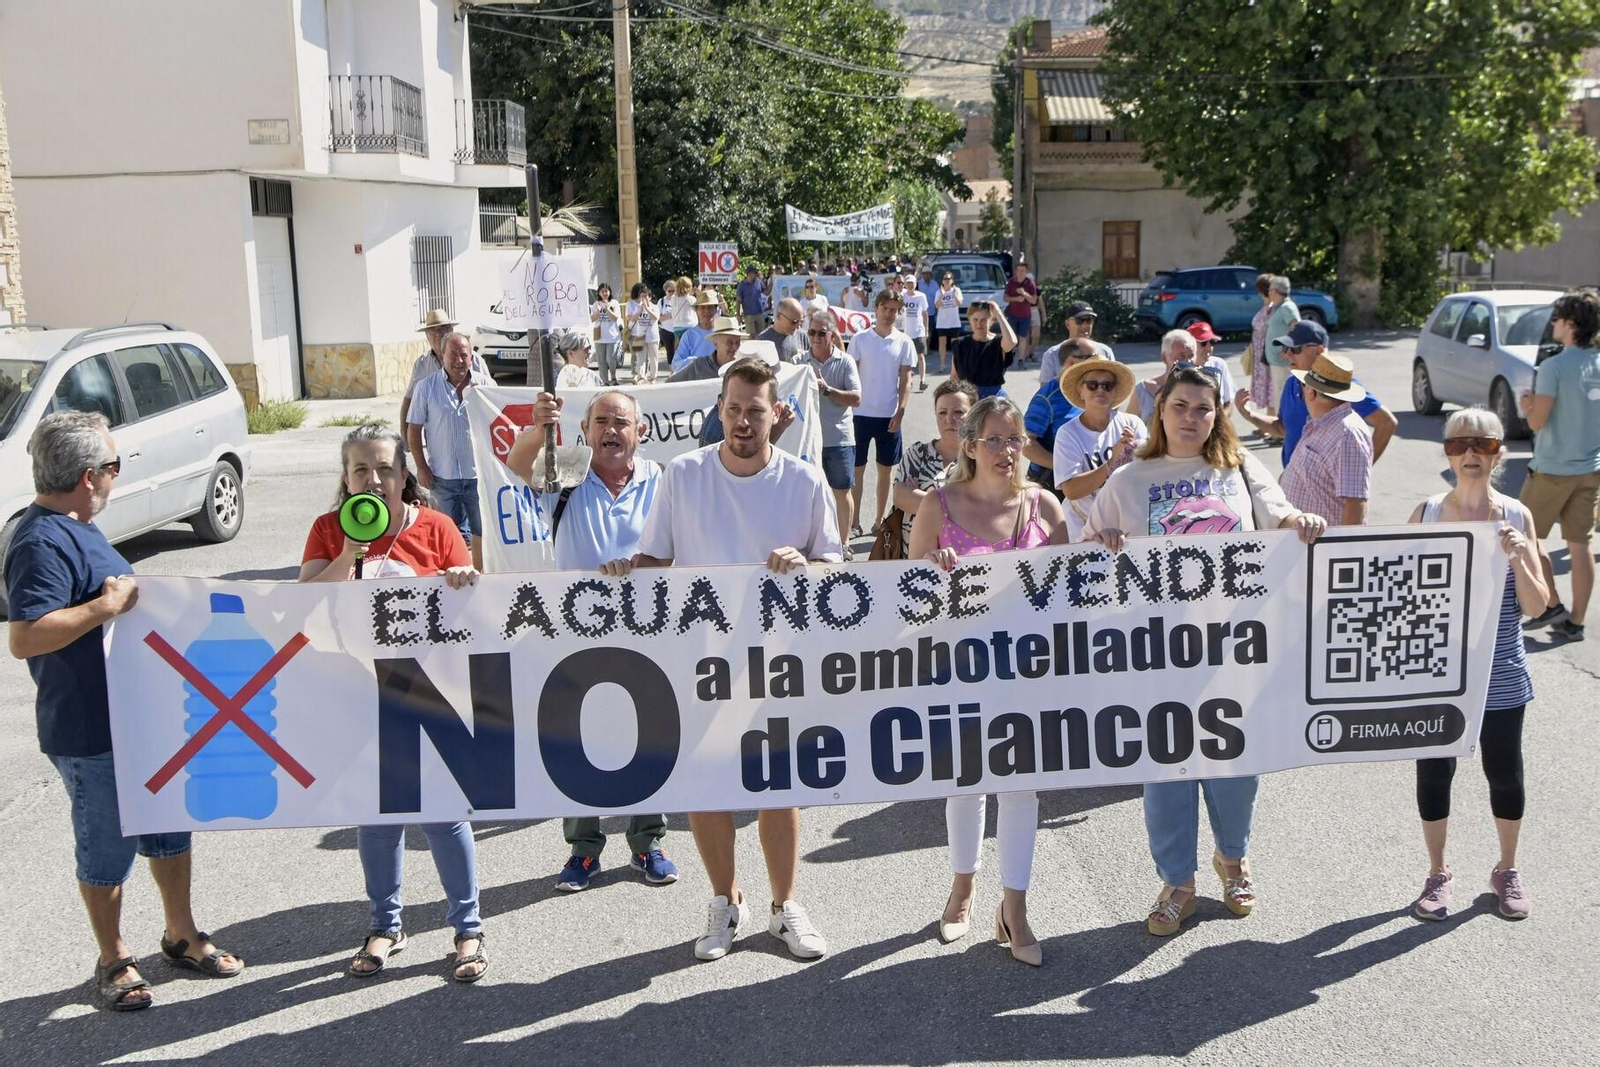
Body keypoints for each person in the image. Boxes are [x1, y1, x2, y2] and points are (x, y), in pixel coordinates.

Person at [6, 412, 244, 1011]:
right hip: (90, 729)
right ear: (89, 477)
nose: (117, 476)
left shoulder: (77, 525)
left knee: (167, 829)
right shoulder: (38, 541)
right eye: (115, 466)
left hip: (141, 718)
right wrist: (106, 608)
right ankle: (113, 959)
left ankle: (180, 935)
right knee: (106, 845)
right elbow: (27, 635)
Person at [1083, 365, 1327, 936]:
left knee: (1237, 762)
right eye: (1181, 406)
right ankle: (1178, 882)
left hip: (1233, 647)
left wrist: (1300, 521)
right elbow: (1082, 556)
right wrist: (1105, 541)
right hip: (1156, 650)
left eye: (1204, 408)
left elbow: (1280, 512)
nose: (1192, 418)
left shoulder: (1238, 469)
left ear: (1218, 415)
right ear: (1160, 411)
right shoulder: (1128, 480)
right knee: (1167, 769)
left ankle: (1232, 858)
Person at [634, 357, 842, 962]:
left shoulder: (804, 480)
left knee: (779, 787)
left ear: (776, 415)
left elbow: (835, 567)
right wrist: (622, 573)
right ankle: (726, 901)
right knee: (708, 787)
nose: (744, 420)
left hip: (778, 665)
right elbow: (654, 562)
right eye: (734, 408)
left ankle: (784, 906)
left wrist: (809, 567)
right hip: (701, 663)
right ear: (719, 410)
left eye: (756, 410)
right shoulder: (685, 475)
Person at [299, 425, 486, 981]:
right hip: (357, 695)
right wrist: (349, 555)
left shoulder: (437, 527)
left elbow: (477, 610)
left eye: (384, 469)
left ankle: (468, 930)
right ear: (346, 478)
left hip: (430, 695)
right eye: (361, 470)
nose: (374, 480)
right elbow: (301, 601)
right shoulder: (329, 530)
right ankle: (386, 926)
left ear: (405, 476)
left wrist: (463, 579)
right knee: (377, 818)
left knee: (444, 817)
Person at [908, 396, 1066, 968]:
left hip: (1028, 672)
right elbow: (907, 596)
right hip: (960, 670)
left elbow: (1071, 593)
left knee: (1021, 788)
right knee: (966, 782)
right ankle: (962, 889)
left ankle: (1015, 908)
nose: (1007, 451)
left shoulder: (1044, 506)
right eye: (995, 440)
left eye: (1015, 439)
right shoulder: (938, 503)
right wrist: (932, 571)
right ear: (969, 446)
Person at [505, 390, 679, 890]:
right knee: (576, 739)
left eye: (621, 421)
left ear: (640, 432)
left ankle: (648, 843)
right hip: (575, 635)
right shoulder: (566, 473)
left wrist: (641, 567)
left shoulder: (663, 481)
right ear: (584, 430)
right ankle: (583, 851)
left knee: (650, 735)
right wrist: (540, 428)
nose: (611, 430)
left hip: (648, 630)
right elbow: (517, 465)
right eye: (600, 420)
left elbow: (679, 546)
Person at [1409, 409, 1549, 921]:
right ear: (1447, 453)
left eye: (1484, 445)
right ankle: (1437, 873)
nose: (1471, 453)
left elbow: (1537, 606)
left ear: (1498, 454)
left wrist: (1516, 556)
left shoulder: (1517, 516)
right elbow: (1396, 593)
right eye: (1460, 444)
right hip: (1436, 671)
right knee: (1434, 771)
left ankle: (1506, 869)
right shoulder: (1425, 514)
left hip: (1501, 672)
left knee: (1504, 773)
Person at [1517, 287, 1600, 641]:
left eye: (1557, 318)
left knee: (1526, 536)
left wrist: (1527, 406)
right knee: (1580, 547)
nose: (1552, 323)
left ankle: (1550, 604)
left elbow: (1537, 422)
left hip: (1551, 470)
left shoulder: (1553, 366)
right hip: (1589, 469)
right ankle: (1576, 622)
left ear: (1570, 324)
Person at [1234, 321, 1396, 466]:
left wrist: (1361, 468)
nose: (1287, 354)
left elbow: (1386, 423)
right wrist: (1248, 414)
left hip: (1327, 493)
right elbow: (1283, 428)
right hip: (1294, 485)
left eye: (1295, 349)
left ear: (1319, 351)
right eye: (1286, 348)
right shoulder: (1292, 383)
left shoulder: (1341, 387)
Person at [405, 332, 489, 571]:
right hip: (442, 477)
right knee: (445, 533)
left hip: (478, 476)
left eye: (464, 355)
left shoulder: (486, 386)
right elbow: (414, 430)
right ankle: (449, 580)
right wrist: (421, 467)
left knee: (482, 531)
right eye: (453, 355)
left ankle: (480, 576)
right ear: (442, 357)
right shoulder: (426, 388)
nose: (459, 361)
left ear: (471, 357)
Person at [1053, 353, 1146, 543]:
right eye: (1092, 385)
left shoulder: (1133, 424)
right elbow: (1071, 490)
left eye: (1107, 385)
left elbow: (1148, 474)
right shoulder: (1068, 433)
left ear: (1114, 392)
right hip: (1081, 527)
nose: (1100, 390)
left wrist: (1135, 454)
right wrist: (1112, 462)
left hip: (1125, 524)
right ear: (1081, 390)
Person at [849, 289, 917, 538]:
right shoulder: (860, 339)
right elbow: (850, 375)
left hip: (889, 415)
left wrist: (901, 411)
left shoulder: (904, 341)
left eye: (894, 310)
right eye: (885, 308)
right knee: (857, 469)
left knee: (885, 470)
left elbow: (906, 380)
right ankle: (854, 522)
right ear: (876, 308)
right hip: (860, 414)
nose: (889, 314)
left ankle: (879, 520)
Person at [1279, 352, 1373, 526]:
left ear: (1311, 392)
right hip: (1305, 543)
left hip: (1320, 548)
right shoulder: (1321, 423)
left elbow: (1355, 506)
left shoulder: (1348, 435)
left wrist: (1341, 551)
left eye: (1302, 385)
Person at [891, 379, 976, 552]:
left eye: (958, 412)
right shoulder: (918, 453)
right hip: (916, 556)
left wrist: (921, 497)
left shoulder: (980, 458)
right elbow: (900, 497)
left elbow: (981, 511)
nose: (949, 419)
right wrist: (957, 508)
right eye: (942, 412)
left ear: (973, 415)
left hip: (963, 558)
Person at [803, 309, 864, 550]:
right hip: (809, 440)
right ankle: (813, 544)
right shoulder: (799, 361)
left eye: (821, 332)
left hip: (839, 439)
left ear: (832, 334)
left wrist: (827, 390)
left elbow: (857, 398)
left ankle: (844, 544)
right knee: (808, 496)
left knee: (841, 492)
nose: (815, 337)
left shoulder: (845, 361)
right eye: (811, 331)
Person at [1021, 339, 1089, 495]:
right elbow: (1026, 443)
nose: (1097, 362)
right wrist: (1064, 466)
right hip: (1052, 485)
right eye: (1091, 357)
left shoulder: (1091, 391)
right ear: (1071, 362)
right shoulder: (1047, 397)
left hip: (1085, 481)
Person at [402, 309, 488, 428]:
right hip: (438, 439)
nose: (438, 334)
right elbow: (409, 401)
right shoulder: (421, 364)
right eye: (433, 330)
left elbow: (492, 396)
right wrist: (405, 439)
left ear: (450, 330)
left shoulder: (474, 359)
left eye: (442, 329)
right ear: (427, 335)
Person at [1129, 330, 1207, 426]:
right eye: (1181, 356)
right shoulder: (1143, 390)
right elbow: (1127, 426)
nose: (1187, 361)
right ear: (1164, 357)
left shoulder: (1201, 390)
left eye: (1191, 356)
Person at [949, 299, 1017, 399]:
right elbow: (954, 377)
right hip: (967, 399)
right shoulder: (960, 344)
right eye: (975, 319)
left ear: (991, 320)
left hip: (992, 400)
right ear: (969, 319)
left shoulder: (998, 343)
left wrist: (998, 313)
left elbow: (1012, 341)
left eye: (983, 320)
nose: (979, 324)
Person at [1037, 301, 1115, 387]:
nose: (1085, 325)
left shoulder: (1105, 352)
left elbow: (1114, 386)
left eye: (1089, 320)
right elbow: (1044, 392)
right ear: (1067, 324)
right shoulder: (1052, 354)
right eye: (1080, 321)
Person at [1258, 275, 1299, 425]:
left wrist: (1289, 350)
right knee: (1278, 395)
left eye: (1270, 290)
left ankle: (1282, 430)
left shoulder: (1287, 307)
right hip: (1275, 360)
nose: (1268, 293)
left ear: (1275, 291)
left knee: (1282, 396)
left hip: (1283, 360)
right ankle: (1280, 429)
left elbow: (1297, 328)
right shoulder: (1278, 307)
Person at [1183, 321, 1237, 405]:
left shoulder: (1219, 364)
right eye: (1203, 343)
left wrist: (1221, 418)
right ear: (1190, 345)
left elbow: (1229, 400)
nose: (1209, 348)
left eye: (1211, 342)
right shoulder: (1182, 369)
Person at [1247, 273, 1275, 422]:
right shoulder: (1268, 307)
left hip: (1266, 353)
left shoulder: (1272, 308)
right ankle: (1267, 420)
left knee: (1270, 387)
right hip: (1261, 353)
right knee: (1266, 386)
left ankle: (1270, 421)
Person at [672, 290, 720, 373]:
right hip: (697, 380)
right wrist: (697, 361)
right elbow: (676, 364)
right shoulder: (689, 335)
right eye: (702, 307)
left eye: (710, 307)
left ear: (716, 309)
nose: (706, 311)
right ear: (696, 310)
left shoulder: (722, 333)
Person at [900, 265, 931, 391]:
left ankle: (922, 380)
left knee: (920, 356)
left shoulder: (921, 296)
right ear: (905, 284)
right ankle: (909, 379)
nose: (910, 285)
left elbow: (924, 313)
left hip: (918, 330)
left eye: (912, 283)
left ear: (915, 283)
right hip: (905, 331)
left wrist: (926, 329)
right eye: (908, 283)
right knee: (907, 357)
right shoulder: (902, 296)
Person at [1003, 262, 1039, 367]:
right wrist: (1016, 299)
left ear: (1026, 271)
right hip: (1012, 315)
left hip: (1025, 316)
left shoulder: (1030, 283)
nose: (1020, 273)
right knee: (1011, 338)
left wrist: (1024, 293)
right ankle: (1008, 357)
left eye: (1022, 271)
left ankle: (1021, 360)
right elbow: (1005, 298)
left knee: (1023, 338)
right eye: (1018, 270)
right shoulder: (1011, 282)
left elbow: (1033, 300)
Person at [625, 282, 661, 383]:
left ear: (649, 297)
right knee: (640, 358)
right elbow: (632, 319)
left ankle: (653, 376)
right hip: (639, 336)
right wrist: (640, 310)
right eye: (642, 296)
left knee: (653, 358)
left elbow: (656, 317)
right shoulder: (637, 307)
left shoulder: (654, 307)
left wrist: (647, 308)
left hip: (652, 337)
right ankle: (641, 376)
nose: (643, 298)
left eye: (645, 296)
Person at [756, 297, 808, 364]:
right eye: (794, 322)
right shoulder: (763, 340)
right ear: (778, 316)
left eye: (801, 322)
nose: (798, 327)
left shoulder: (802, 335)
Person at [931, 271, 964, 374]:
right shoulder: (938, 292)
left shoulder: (957, 290)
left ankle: (955, 364)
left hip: (954, 322)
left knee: (955, 344)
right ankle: (942, 364)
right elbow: (937, 305)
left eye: (948, 279)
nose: (946, 281)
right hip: (942, 322)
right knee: (942, 343)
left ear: (952, 280)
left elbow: (959, 303)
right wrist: (942, 294)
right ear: (942, 281)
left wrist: (954, 295)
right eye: (944, 279)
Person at [593, 283, 624, 386]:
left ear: (610, 292)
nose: (604, 293)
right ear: (599, 293)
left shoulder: (614, 303)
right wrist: (598, 311)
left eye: (606, 291)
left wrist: (607, 308)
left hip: (612, 336)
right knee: (601, 360)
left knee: (610, 359)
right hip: (599, 336)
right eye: (602, 291)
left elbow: (615, 318)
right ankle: (604, 380)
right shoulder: (596, 303)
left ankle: (613, 376)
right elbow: (592, 319)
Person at [736, 265, 767, 337]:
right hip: (749, 314)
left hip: (759, 313)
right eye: (755, 273)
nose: (756, 274)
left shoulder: (758, 282)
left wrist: (773, 281)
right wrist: (738, 315)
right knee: (752, 335)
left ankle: (760, 348)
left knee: (761, 335)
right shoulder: (742, 285)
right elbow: (738, 300)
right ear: (749, 274)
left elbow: (766, 292)